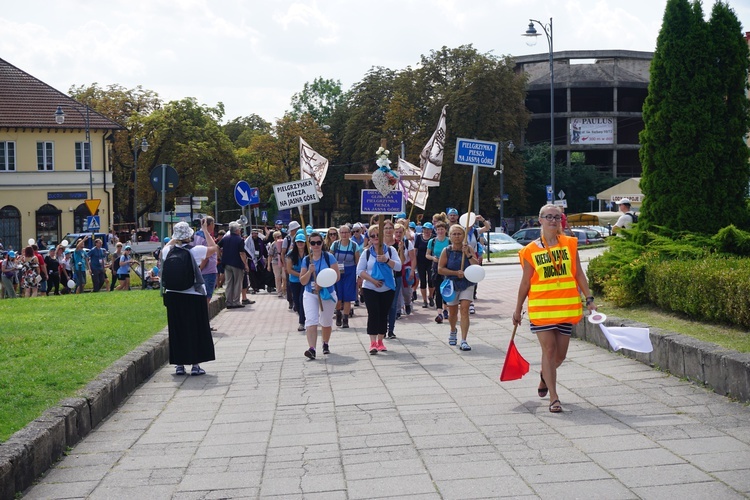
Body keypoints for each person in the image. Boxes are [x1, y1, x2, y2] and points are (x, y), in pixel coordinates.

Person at [512, 204, 597, 413]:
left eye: (556, 217)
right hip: (541, 309)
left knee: (560, 356)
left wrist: (589, 298)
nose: (552, 220)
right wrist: (517, 308)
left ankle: (544, 376)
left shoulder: (569, 244)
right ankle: (554, 397)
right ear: (540, 220)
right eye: (548, 217)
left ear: (561, 221)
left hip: (566, 308)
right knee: (548, 351)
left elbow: (578, 274)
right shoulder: (530, 250)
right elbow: (525, 283)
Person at [162, 220, 217, 376]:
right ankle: (195, 365)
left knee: (177, 330)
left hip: (173, 295)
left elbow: (165, 248)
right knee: (195, 330)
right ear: (189, 236)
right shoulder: (196, 250)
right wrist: (205, 230)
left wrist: (175, 236)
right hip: (193, 294)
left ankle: (179, 365)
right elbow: (214, 248)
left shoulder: (168, 252)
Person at [356, 226, 401, 355]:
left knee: (383, 314)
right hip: (370, 287)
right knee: (373, 313)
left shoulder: (391, 251)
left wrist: (386, 260)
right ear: (369, 238)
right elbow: (360, 270)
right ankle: (372, 343)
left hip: (387, 288)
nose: (375, 238)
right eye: (372, 236)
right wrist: (372, 280)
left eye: (377, 235)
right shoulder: (367, 253)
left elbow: (398, 267)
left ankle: (381, 341)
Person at [438, 224, 480, 351]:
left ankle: (464, 339)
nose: (457, 236)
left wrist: (467, 254)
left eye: (459, 234)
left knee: (465, 309)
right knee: (452, 312)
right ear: (450, 236)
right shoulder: (447, 250)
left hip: (467, 283)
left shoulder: (469, 249)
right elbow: (440, 269)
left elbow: (476, 265)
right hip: (452, 284)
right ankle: (452, 330)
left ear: (464, 236)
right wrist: (455, 273)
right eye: (454, 234)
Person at [299, 231, 340, 359]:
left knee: (326, 321)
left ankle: (325, 343)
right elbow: (302, 281)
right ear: (309, 244)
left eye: (318, 242)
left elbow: (337, 276)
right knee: (311, 320)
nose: (316, 245)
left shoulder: (329, 257)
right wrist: (310, 272)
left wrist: (321, 284)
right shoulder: (306, 260)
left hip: (327, 292)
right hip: (310, 293)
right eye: (313, 243)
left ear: (322, 243)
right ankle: (312, 348)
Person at [193, 217, 219, 328]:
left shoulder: (196, 235)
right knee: (206, 299)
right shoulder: (205, 236)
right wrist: (200, 269)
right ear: (209, 224)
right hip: (207, 271)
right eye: (213, 224)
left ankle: (202, 323)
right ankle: (204, 324)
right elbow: (206, 256)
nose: (214, 226)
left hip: (203, 271)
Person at [331, 224, 359, 328]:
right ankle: (338, 314)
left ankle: (346, 319)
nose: (344, 234)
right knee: (338, 297)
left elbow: (357, 261)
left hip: (350, 272)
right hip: (337, 272)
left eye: (346, 232)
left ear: (350, 233)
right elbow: (330, 258)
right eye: (342, 232)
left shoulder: (354, 245)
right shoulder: (335, 244)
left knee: (347, 297)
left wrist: (358, 276)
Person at [218, 222, 248, 309]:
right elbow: (242, 253)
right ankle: (236, 302)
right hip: (237, 264)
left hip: (226, 263)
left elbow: (217, 246)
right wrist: (245, 265)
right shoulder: (240, 239)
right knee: (237, 283)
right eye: (239, 229)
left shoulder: (225, 238)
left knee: (229, 283)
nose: (240, 230)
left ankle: (229, 302)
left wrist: (220, 256)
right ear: (237, 230)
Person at [426, 221, 450, 323]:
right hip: (436, 267)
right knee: (438, 290)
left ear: (445, 230)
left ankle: (446, 309)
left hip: (447, 267)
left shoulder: (449, 241)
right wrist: (433, 258)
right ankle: (439, 312)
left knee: (447, 289)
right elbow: (427, 254)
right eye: (438, 229)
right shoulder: (432, 241)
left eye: (442, 229)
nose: (440, 231)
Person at [286, 231, 308, 331]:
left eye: (302, 242)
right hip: (294, 280)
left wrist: (305, 276)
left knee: (302, 299)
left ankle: (302, 322)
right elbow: (289, 269)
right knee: (297, 302)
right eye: (298, 242)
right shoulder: (291, 254)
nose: (300, 244)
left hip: (306, 281)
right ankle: (303, 317)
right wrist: (301, 275)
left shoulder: (309, 253)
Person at [415, 222, 434, 308]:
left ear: (431, 230)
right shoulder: (419, 237)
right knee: (422, 281)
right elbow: (416, 249)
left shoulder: (434, 238)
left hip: (431, 261)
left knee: (431, 280)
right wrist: (414, 261)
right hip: (420, 261)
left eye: (428, 229)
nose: (426, 231)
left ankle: (431, 296)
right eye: (425, 229)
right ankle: (424, 300)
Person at [267, 230, 286, 298]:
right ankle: (279, 292)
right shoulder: (273, 244)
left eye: (280, 236)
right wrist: (268, 265)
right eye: (277, 237)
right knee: (277, 277)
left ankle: (284, 289)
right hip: (275, 262)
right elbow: (270, 255)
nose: (279, 238)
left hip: (284, 261)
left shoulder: (284, 243)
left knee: (284, 277)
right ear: (274, 238)